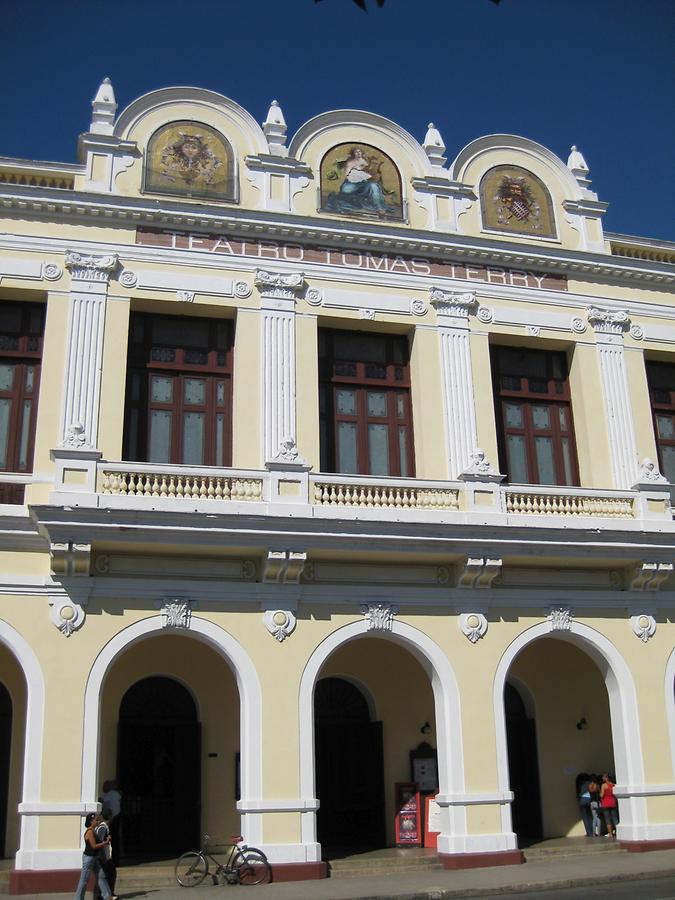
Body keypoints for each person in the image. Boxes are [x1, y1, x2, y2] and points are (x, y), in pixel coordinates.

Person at [324, 147, 397, 217]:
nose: (358, 153)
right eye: (356, 152)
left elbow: (369, 172)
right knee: (346, 190)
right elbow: (348, 175)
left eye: (359, 151)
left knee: (374, 186)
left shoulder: (364, 161)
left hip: (363, 183)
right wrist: (358, 174)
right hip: (351, 183)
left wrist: (369, 173)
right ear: (353, 153)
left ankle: (379, 207)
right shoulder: (350, 162)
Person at [73, 813, 117, 900]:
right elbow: (94, 846)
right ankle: (78, 898)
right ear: (91, 821)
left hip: (94, 857)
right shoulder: (89, 832)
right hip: (89, 858)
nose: (98, 821)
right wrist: (106, 842)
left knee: (101, 875)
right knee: (84, 880)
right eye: (96, 820)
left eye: (98, 820)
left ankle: (107, 896)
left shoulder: (93, 830)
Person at [93, 812, 116, 900]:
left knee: (107, 874)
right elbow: (100, 842)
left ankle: (106, 894)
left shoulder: (103, 826)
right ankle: (104, 895)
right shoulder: (103, 827)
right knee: (107, 874)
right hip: (103, 856)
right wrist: (103, 856)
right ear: (110, 817)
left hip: (105, 856)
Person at [100, 781, 122, 866]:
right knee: (116, 840)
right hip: (116, 817)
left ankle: (113, 861)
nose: (103, 788)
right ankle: (116, 860)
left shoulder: (110, 794)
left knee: (112, 839)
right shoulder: (116, 794)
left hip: (113, 818)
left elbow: (102, 800)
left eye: (105, 786)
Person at [600, 772, 619, 837]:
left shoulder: (603, 785)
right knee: (615, 818)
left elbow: (602, 795)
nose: (602, 778)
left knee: (607, 819)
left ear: (606, 778)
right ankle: (618, 832)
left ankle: (610, 833)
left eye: (603, 777)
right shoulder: (613, 785)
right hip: (613, 802)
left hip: (605, 803)